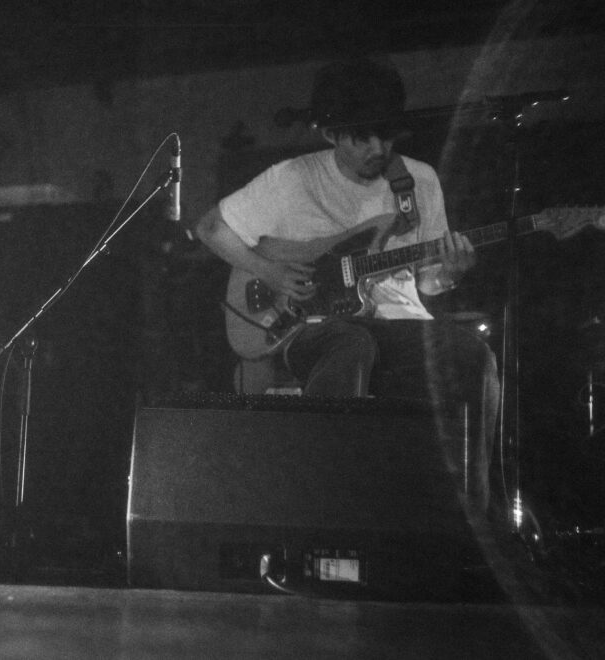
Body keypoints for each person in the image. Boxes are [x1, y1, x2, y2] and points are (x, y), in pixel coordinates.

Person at [194, 56, 499, 512]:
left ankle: (473, 510)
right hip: (306, 325)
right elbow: (211, 229)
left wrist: (449, 273)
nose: (378, 147)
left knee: (475, 355)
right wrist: (270, 271)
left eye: (387, 134)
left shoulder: (418, 182)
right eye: (362, 137)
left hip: (396, 325)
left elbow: (428, 283)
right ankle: (321, 496)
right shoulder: (293, 179)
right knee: (351, 343)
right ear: (332, 133)